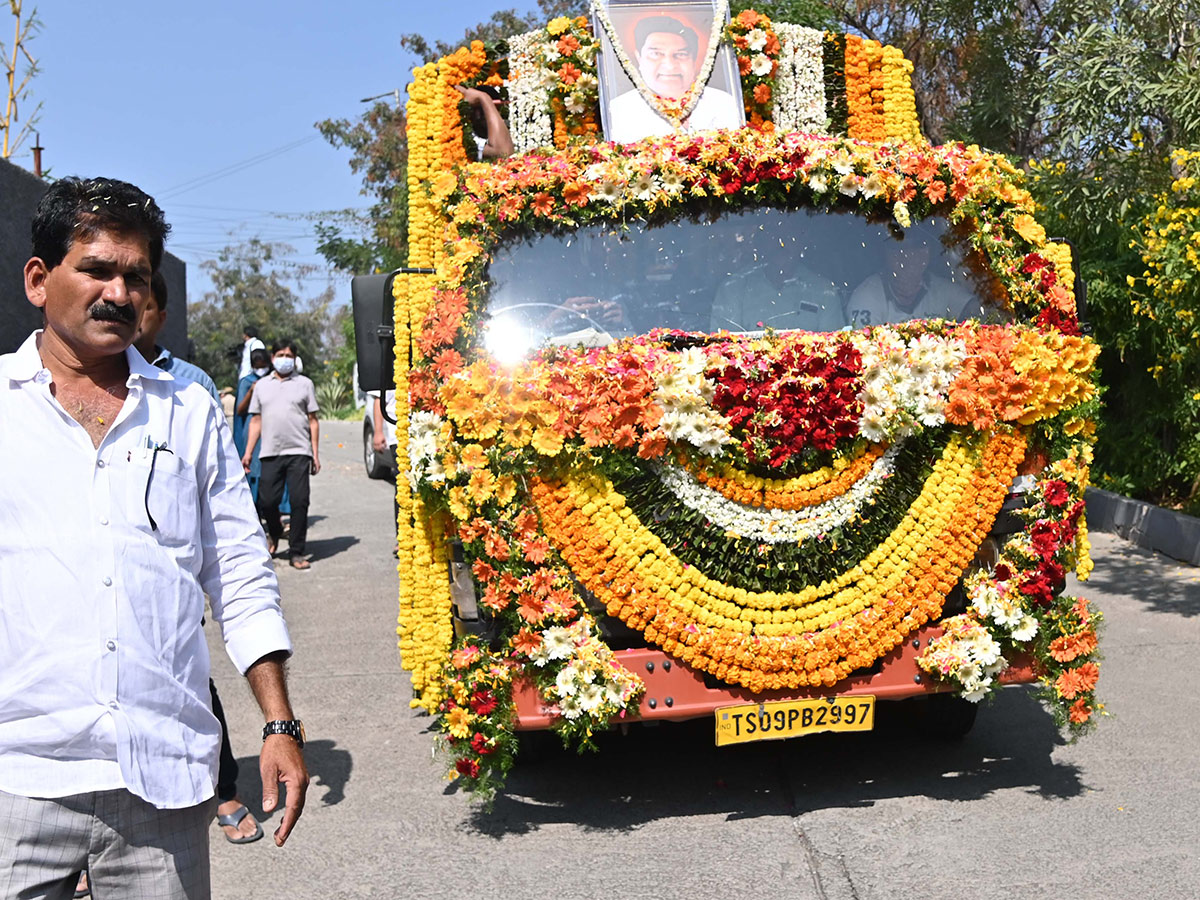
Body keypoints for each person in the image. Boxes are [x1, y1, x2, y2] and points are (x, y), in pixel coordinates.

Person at [0, 176, 307, 899]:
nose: (119, 292)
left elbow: (237, 570)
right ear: (40, 280)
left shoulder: (189, 412)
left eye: (136, 276)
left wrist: (278, 723)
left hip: (160, 780)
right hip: (18, 778)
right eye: (98, 269)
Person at [133, 272, 264, 847]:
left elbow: (218, 488)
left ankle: (224, 788)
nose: (123, 310)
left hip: (169, 574)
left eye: (141, 304)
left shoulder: (189, 386)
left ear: (160, 315)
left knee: (189, 680)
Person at [242, 340, 321, 570]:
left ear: (294, 359)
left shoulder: (305, 384)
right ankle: (274, 534)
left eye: (288, 354)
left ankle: (296, 552)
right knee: (267, 501)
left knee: (299, 502)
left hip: (299, 452)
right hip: (270, 452)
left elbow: (313, 421)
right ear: (272, 357)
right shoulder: (261, 386)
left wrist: (315, 454)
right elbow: (255, 421)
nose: (284, 358)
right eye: (280, 354)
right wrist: (248, 453)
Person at [606, 15, 742, 143]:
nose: (670, 66)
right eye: (656, 54)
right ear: (639, 58)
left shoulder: (722, 102)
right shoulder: (620, 109)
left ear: (694, 61)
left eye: (681, 54)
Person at [711, 240, 845, 332]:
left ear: (802, 240)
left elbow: (834, 349)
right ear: (760, 240)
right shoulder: (733, 287)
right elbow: (724, 349)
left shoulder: (823, 291)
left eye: (790, 232)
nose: (781, 243)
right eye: (773, 232)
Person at [845, 236, 977, 327]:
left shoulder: (942, 289)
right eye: (898, 246)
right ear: (886, 253)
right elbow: (864, 350)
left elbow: (979, 316)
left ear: (928, 252)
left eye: (918, 245)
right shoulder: (867, 294)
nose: (908, 254)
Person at [235, 347, 272, 502]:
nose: (261, 370)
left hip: (270, 427)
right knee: (254, 468)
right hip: (252, 428)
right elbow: (240, 409)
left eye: (263, 366)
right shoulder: (247, 382)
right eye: (257, 366)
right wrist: (251, 392)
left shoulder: (272, 381)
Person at [456, 84, 513, 159]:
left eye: (492, 109)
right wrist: (483, 97)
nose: (483, 114)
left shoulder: (511, 130)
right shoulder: (464, 137)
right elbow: (503, 152)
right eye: (479, 107)